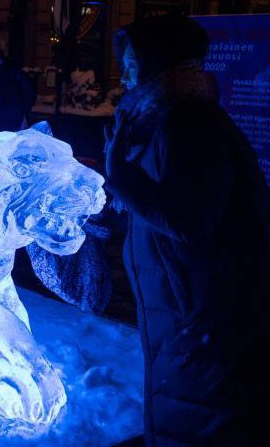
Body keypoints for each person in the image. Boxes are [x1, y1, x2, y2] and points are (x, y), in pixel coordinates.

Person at [105, 14, 270, 445]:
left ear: (157, 65)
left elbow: (190, 220)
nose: (122, 74)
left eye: (131, 63)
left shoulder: (190, 124)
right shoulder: (162, 123)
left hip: (201, 321)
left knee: (202, 422)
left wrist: (121, 176)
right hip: (184, 317)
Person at [0, 48, 36, 133]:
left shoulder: (14, 73)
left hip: (11, 121)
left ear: (3, 60)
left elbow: (30, 92)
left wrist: (22, 112)